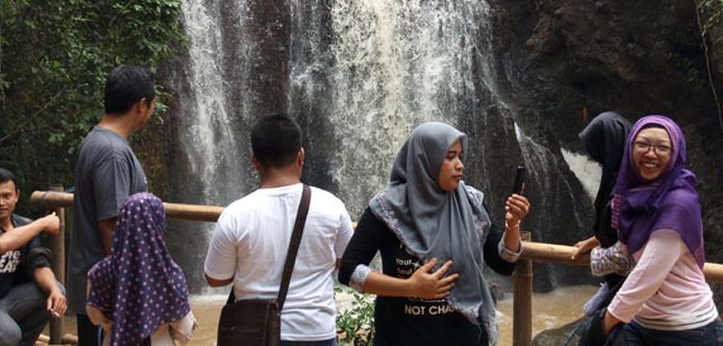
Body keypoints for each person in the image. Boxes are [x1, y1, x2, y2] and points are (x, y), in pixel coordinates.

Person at [337, 122, 530, 346]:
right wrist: (409, 287)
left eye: (460, 156)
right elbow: (349, 270)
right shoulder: (386, 209)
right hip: (402, 338)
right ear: (425, 159)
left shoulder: (471, 203)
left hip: (463, 338)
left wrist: (513, 225)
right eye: (450, 157)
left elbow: (503, 263)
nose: (460, 165)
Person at [204, 113, 354, 345]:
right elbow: (348, 263)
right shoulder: (332, 207)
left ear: (255, 161)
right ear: (301, 155)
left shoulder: (235, 215)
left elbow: (215, 278)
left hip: (256, 332)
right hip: (316, 332)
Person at [598, 115, 723, 344]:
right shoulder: (635, 195)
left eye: (662, 147)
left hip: (688, 329)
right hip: (641, 320)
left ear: (675, 154)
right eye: (642, 144)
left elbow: (647, 273)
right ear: (630, 148)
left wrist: (604, 324)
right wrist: (596, 242)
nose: (651, 153)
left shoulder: (678, 203)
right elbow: (632, 243)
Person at [67, 65, 156, 346]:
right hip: (106, 292)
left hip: (96, 285)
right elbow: (111, 225)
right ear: (141, 105)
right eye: (152, 106)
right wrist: (127, 291)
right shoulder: (113, 153)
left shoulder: (97, 141)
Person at [86, 193, 196, 345]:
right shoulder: (170, 273)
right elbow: (185, 330)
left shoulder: (99, 271)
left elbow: (94, 317)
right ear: (158, 223)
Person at [0, 167, 67, 345]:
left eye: (7, 196)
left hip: (8, 300)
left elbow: (39, 264)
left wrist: (53, 290)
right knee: (8, 333)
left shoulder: (24, 225)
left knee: (56, 290)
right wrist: (41, 223)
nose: (1, 202)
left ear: (16, 195)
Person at [571, 111, 633, 314]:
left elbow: (628, 251)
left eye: (596, 148)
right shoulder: (620, 180)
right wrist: (595, 240)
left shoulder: (627, 190)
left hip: (632, 288)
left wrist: (595, 257)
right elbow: (618, 230)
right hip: (619, 283)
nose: (594, 157)